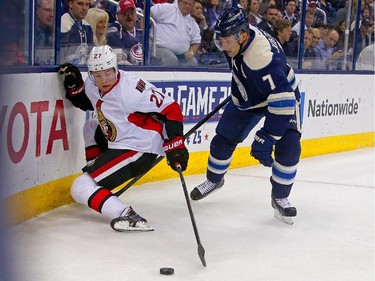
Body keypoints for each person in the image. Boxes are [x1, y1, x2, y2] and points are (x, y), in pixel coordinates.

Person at [57, 45, 189, 231]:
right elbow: (88, 102)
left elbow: (171, 108)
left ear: (115, 68)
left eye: (108, 73)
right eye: (98, 74)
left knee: (79, 187)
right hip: (120, 140)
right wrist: (74, 88)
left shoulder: (131, 90)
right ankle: (99, 175)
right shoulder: (93, 83)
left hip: (139, 148)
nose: (103, 80)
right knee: (91, 126)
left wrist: (176, 144)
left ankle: (127, 215)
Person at [190, 7, 302, 225]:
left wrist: (268, 135)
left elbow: (284, 99)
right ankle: (214, 180)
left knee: (289, 146)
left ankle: (280, 196)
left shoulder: (261, 57)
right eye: (220, 41)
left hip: (282, 97)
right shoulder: (237, 34)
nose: (223, 47)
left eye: (226, 42)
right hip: (248, 96)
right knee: (223, 139)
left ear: (242, 35)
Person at [150, 0, 201, 65]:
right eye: (185, 3)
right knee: (171, 59)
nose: (187, 6)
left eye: (190, 4)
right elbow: (148, 13)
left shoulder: (193, 24)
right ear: (179, 1)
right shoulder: (166, 8)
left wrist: (191, 52)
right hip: (159, 48)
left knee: (192, 62)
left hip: (182, 55)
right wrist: (144, 32)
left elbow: (196, 42)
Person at [107, 0, 144, 65]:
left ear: (136, 14)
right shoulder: (113, 36)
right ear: (118, 16)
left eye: (132, 13)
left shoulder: (143, 35)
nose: (129, 17)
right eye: (125, 14)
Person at [60, 0, 94, 64]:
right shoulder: (63, 24)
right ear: (70, 4)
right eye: (80, 4)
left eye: (87, 5)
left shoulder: (87, 26)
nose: (84, 8)